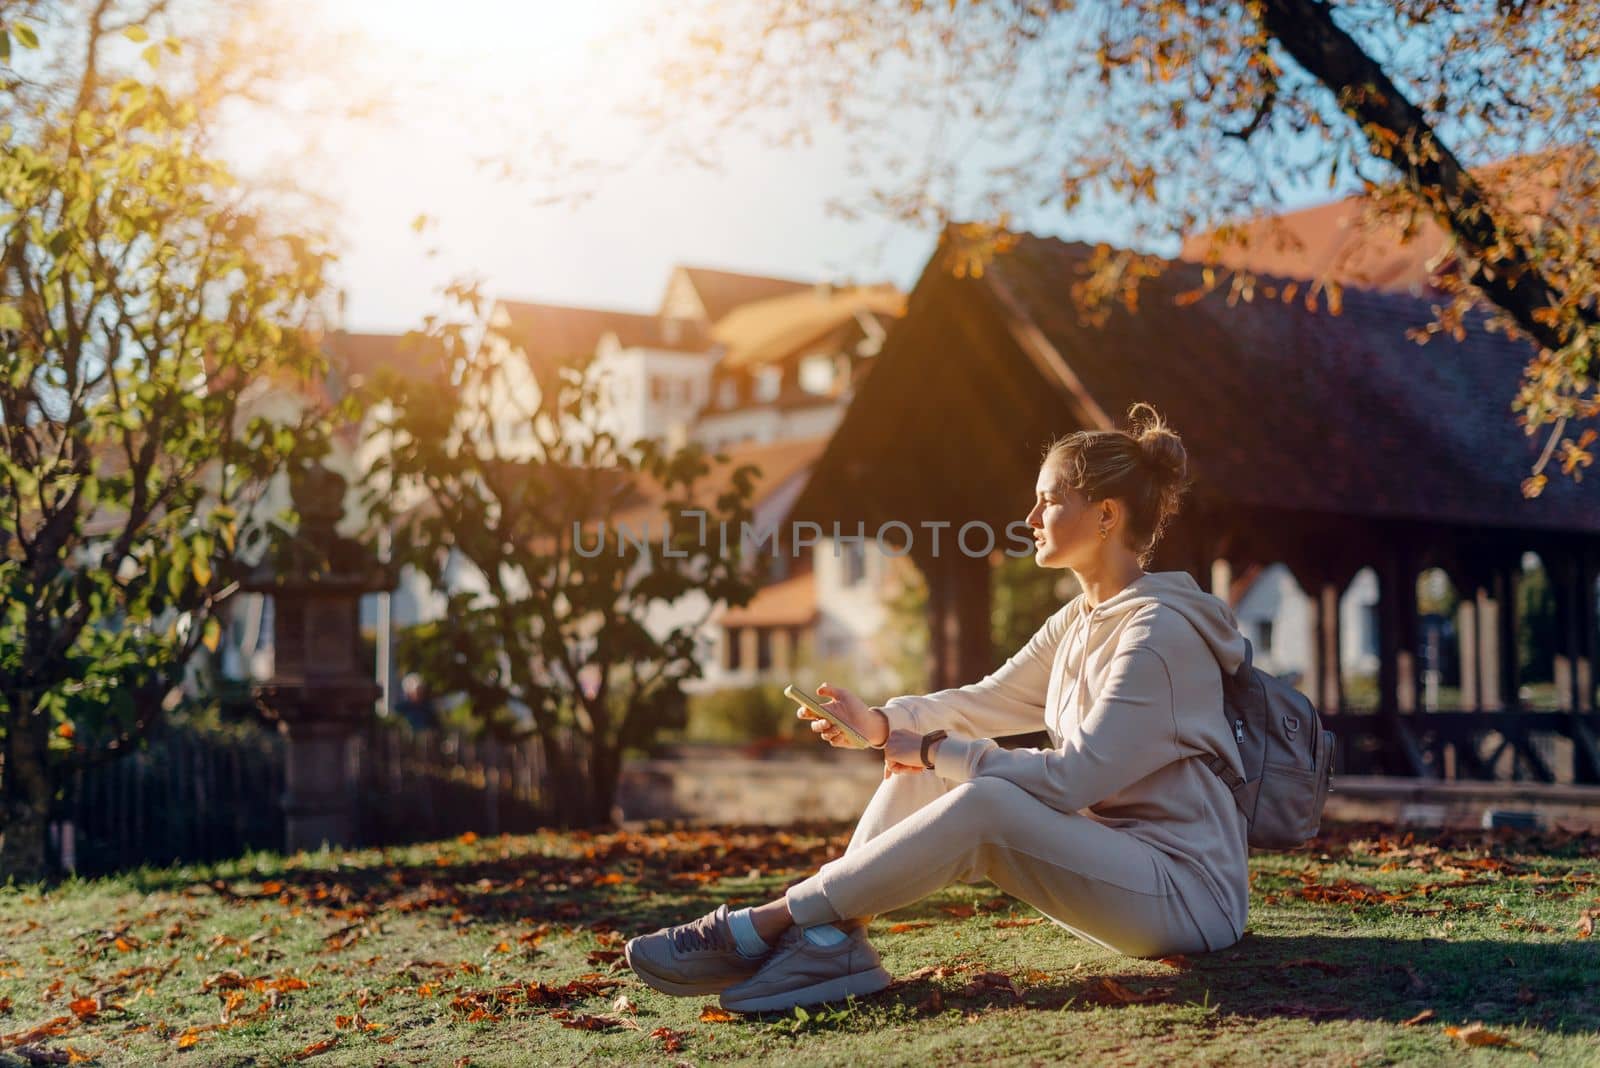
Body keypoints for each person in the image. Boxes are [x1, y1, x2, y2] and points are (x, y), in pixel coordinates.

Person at [625, 403, 1250, 1014]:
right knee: (934, 769)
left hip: (1187, 896)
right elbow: (987, 701)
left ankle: (768, 923)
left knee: (980, 794)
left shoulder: (1158, 633)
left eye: (1051, 499)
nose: (1030, 515)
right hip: (1117, 868)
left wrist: (936, 749)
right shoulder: (1080, 621)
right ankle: (830, 940)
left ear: (1107, 515)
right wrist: (883, 725)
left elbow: (1072, 779)